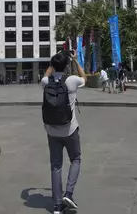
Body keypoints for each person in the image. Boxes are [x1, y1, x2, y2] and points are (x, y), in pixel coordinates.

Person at [41, 51, 86, 214]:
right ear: (67, 65)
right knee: (76, 159)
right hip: (70, 129)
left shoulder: (46, 81)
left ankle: (57, 206)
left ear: (52, 66)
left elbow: (45, 75)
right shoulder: (72, 81)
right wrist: (75, 60)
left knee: (55, 166)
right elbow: (84, 77)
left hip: (51, 130)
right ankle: (69, 193)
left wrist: (52, 65)